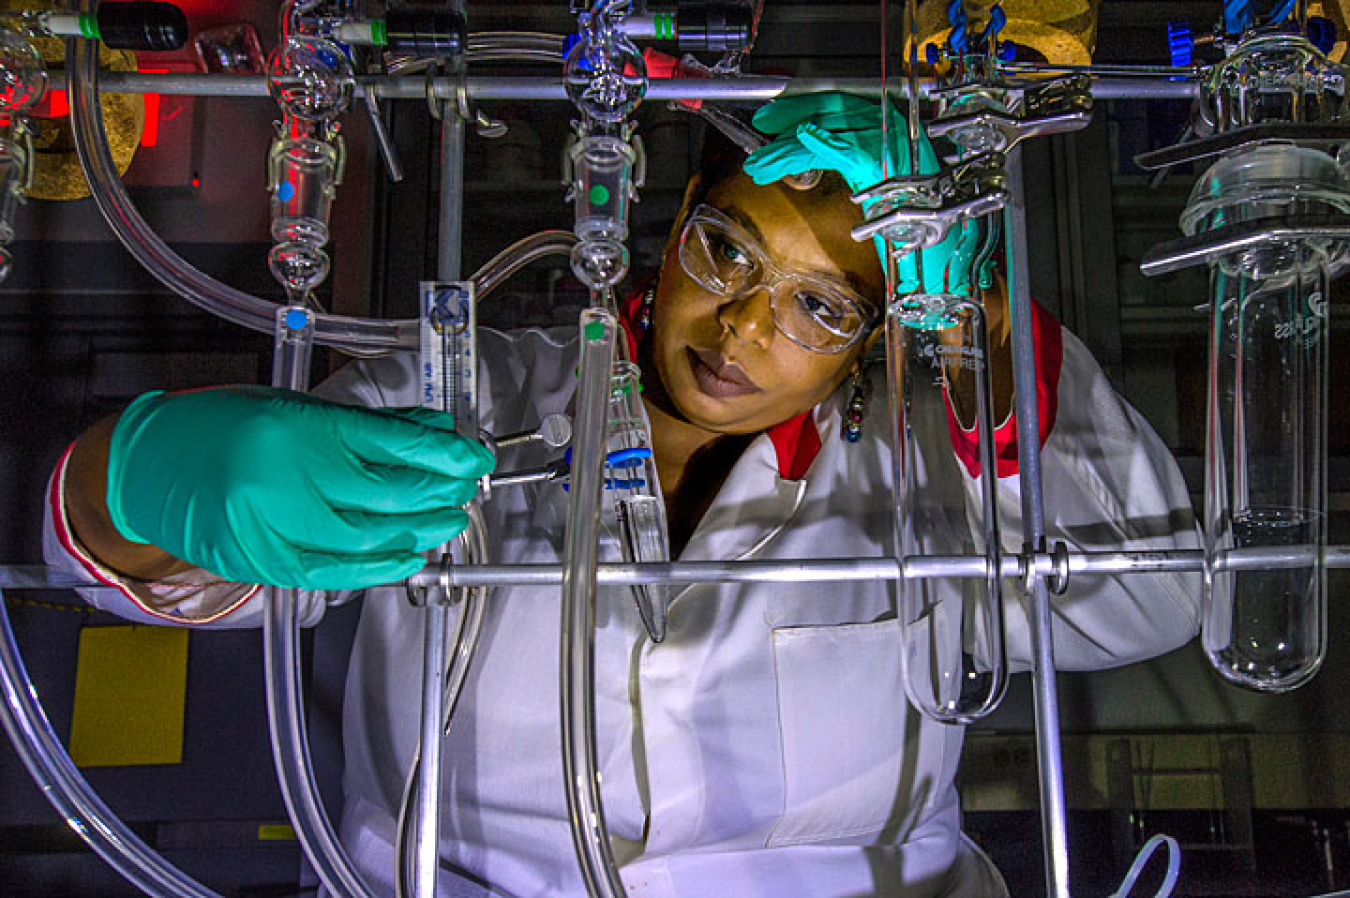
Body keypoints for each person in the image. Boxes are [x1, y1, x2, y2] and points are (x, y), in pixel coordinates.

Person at [44, 94, 1200, 897]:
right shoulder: (462, 390)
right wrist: (139, 477)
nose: (746, 324)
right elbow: (131, 571)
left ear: (883, 333)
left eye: (822, 307)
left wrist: (988, 328)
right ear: (670, 218)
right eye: (726, 251)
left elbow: (1148, 603)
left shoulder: (924, 470)